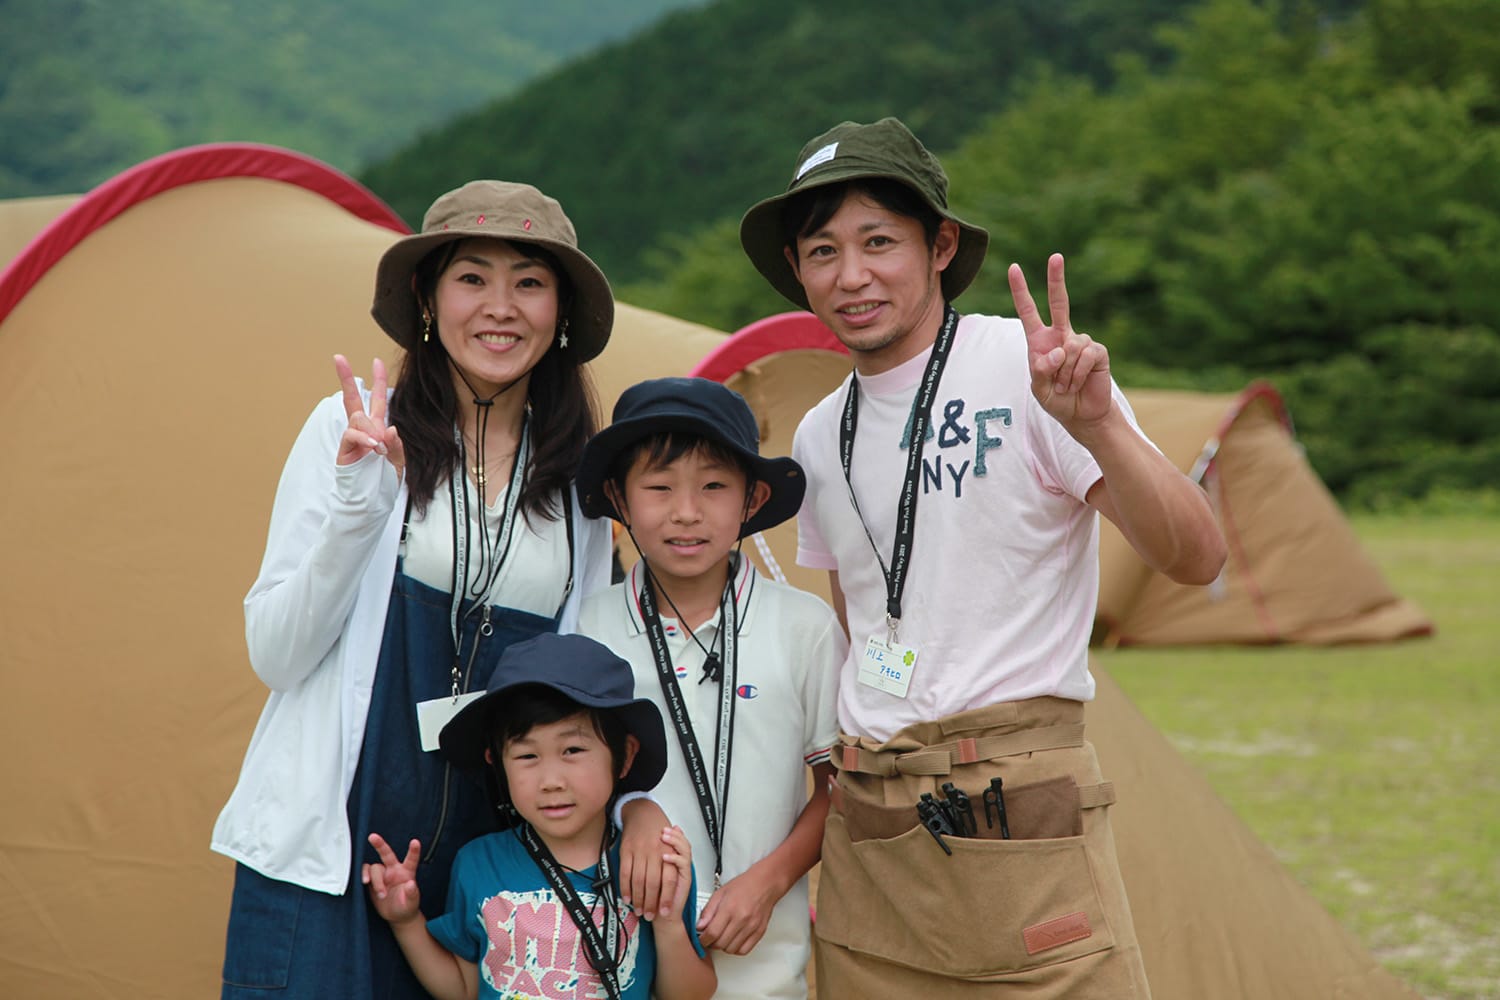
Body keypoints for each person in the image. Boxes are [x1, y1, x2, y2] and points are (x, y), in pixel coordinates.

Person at [737, 118, 1228, 997]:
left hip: (1014, 799)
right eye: (823, 252)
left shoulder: (1027, 370)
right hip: (872, 824)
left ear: (940, 246)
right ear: (797, 269)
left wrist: (1100, 426)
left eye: (878, 242)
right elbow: (863, 619)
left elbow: (1196, 556)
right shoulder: (818, 433)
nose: (851, 275)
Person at [212, 181, 673, 999]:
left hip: (490, 866)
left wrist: (641, 809)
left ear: (562, 312)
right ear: (428, 298)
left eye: (529, 282)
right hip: (334, 840)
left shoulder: (579, 484)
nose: (500, 307)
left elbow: (594, 689)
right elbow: (276, 655)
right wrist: (358, 509)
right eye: (472, 278)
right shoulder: (348, 429)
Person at [573, 377, 846, 999]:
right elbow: (559, 774)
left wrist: (768, 883)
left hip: (765, 971)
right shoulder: (590, 627)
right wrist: (631, 807)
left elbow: (841, 789)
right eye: (659, 487)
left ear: (753, 499)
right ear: (618, 496)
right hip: (613, 968)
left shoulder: (804, 628)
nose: (686, 512)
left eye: (715, 486)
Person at [361, 631, 717, 1000]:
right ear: (496, 763)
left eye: (573, 750)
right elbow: (465, 989)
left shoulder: (650, 863)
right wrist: (406, 923)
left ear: (625, 755)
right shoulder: (478, 863)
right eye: (527, 756)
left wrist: (669, 923)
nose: (551, 781)